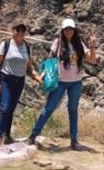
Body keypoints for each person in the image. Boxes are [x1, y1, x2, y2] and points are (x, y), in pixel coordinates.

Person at [28, 18, 99, 150]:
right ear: (62, 30)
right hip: (60, 82)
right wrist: (43, 74)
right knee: (49, 108)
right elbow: (50, 60)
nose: (68, 31)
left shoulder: (79, 44)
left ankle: (74, 141)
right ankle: (33, 134)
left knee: (73, 110)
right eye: (66, 29)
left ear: (74, 30)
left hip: (76, 83)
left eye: (70, 29)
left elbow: (93, 60)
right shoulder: (58, 42)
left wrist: (92, 46)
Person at [0, 23, 42, 145]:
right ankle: (0, 136)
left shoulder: (27, 47)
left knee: (11, 108)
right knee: (5, 107)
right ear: (12, 31)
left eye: (23, 30)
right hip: (6, 79)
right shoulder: (6, 45)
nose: (20, 32)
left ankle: (6, 135)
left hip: (19, 81)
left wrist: (37, 77)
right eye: (17, 30)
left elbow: (29, 68)